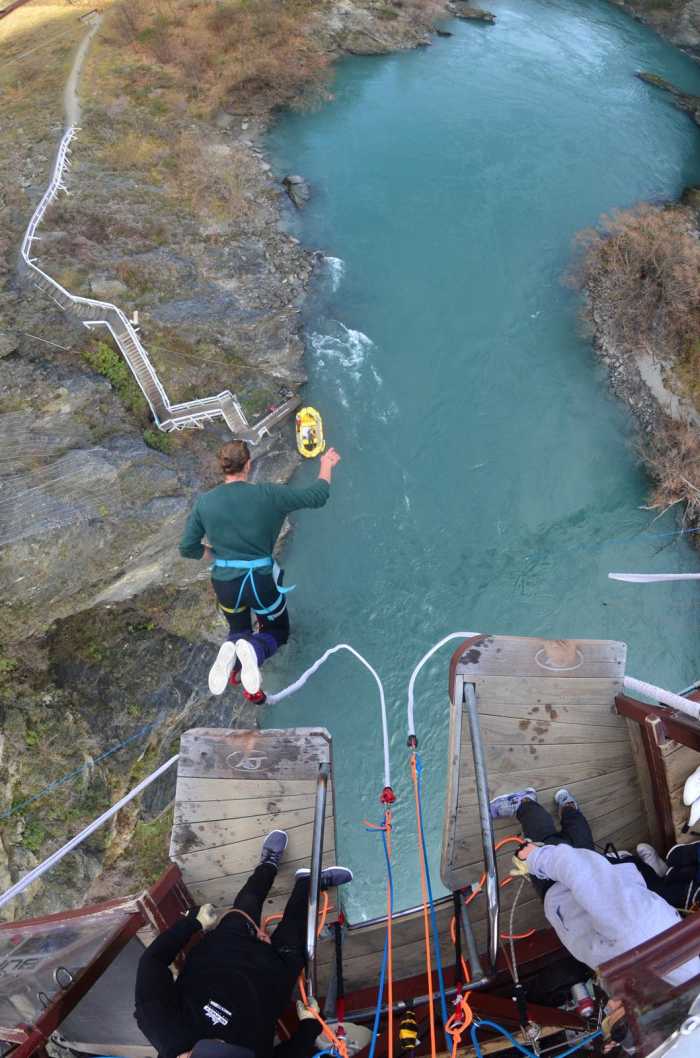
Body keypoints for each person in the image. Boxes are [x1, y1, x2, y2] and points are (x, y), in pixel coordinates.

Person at [134, 829, 353, 1058]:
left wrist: (193, 923)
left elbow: (153, 961)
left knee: (248, 902)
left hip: (225, 952)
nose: (220, 1042)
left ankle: (268, 864)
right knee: (296, 930)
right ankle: (307, 883)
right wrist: (310, 1027)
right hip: (274, 977)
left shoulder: (159, 1024)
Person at [490, 787, 700, 988]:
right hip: (564, 890)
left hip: (590, 888)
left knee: (582, 846)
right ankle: (525, 804)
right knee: (545, 837)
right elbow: (584, 874)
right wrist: (535, 858)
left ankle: (569, 808)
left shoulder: (677, 963)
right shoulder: (637, 932)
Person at [179, 440, 341, 700]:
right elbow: (318, 496)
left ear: (223, 467)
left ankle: (233, 648)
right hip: (259, 581)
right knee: (277, 632)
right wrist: (326, 464)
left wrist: (218, 556)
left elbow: (187, 548)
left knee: (238, 631)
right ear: (248, 465)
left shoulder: (205, 503)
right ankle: (252, 651)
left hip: (225, 583)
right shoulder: (269, 494)